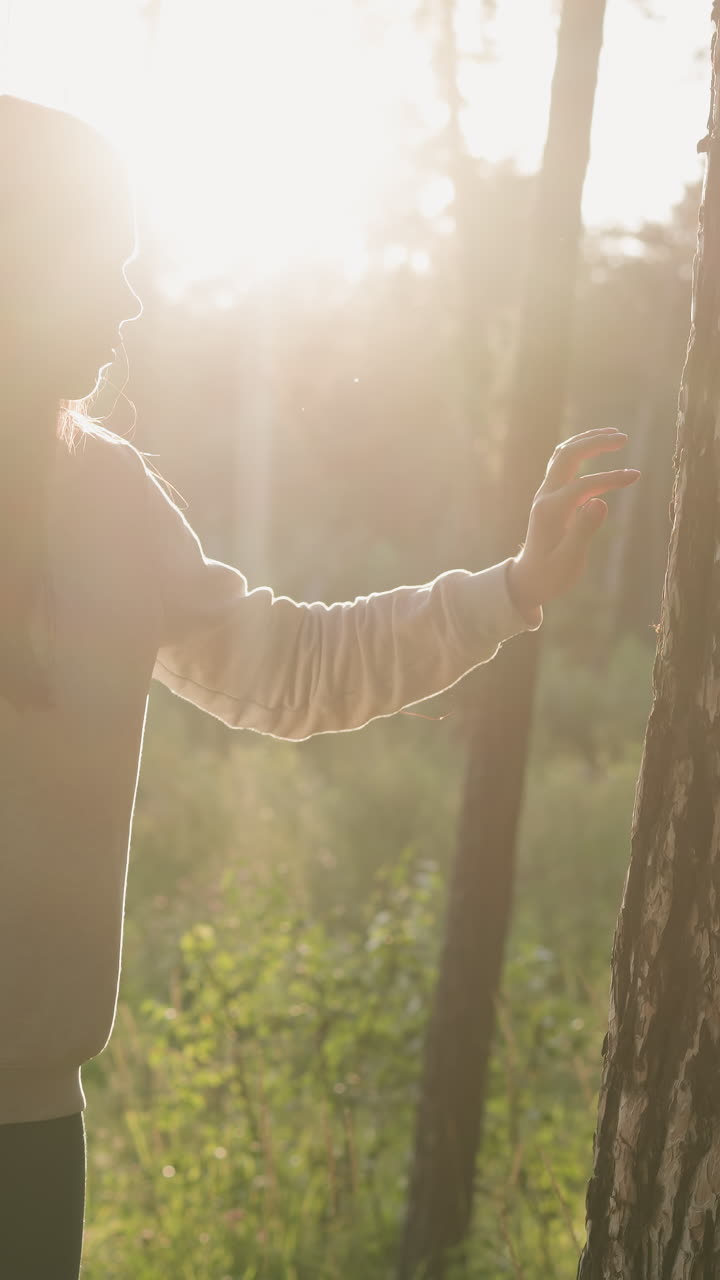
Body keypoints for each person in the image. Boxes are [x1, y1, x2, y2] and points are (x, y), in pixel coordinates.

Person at [0, 94, 640, 1279]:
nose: (131, 300)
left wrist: (514, 584)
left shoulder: (109, 498)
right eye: (106, 260)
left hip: (27, 1141)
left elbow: (290, 669)